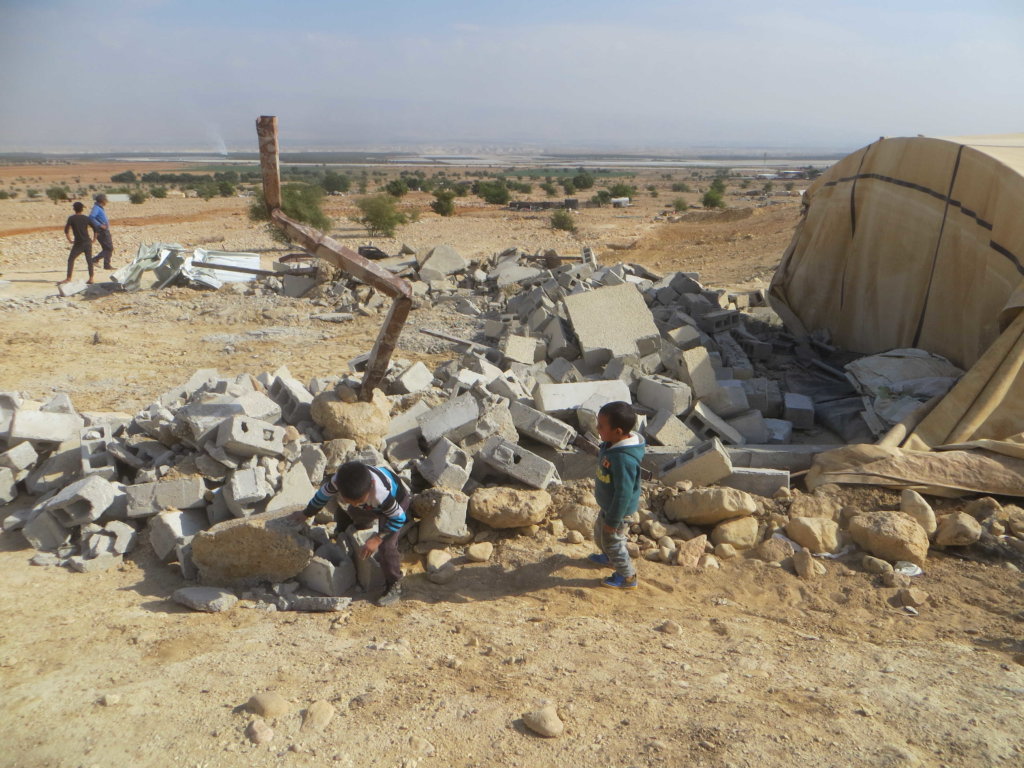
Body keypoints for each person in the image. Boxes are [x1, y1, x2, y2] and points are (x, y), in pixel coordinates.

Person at [291, 461, 409, 606]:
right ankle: (356, 531)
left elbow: (398, 518)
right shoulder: (338, 481)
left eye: (359, 500)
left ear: (371, 485)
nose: (355, 503)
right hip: (371, 505)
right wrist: (306, 513)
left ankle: (396, 584)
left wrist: (377, 539)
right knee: (353, 512)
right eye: (350, 500)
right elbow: (322, 496)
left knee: (387, 547)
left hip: (397, 502)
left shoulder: (381, 494)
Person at [589, 401, 646, 589]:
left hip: (618, 512)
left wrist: (613, 521)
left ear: (618, 431)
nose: (597, 428)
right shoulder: (612, 443)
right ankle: (609, 558)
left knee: (613, 542)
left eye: (601, 426)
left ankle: (627, 576)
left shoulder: (623, 459)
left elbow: (623, 493)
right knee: (601, 535)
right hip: (609, 506)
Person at [59, 201, 96, 284]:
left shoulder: (71, 218)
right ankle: (91, 278)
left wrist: (70, 240)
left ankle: (68, 278)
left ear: (74, 209)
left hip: (78, 243)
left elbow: (66, 230)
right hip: (87, 242)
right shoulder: (86, 218)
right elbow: (95, 228)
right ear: (82, 209)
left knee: (71, 259)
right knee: (89, 260)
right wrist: (94, 239)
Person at [88, 193, 114, 270]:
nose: (106, 201)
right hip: (102, 231)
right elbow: (91, 217)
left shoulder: (99, 208)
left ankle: (106, 265)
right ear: (102, 200)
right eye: (105, 200)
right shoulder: (96, 208)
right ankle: (95, 260)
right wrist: (100, 225)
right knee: (109, 248)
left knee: (106, 248)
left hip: (104, 230)